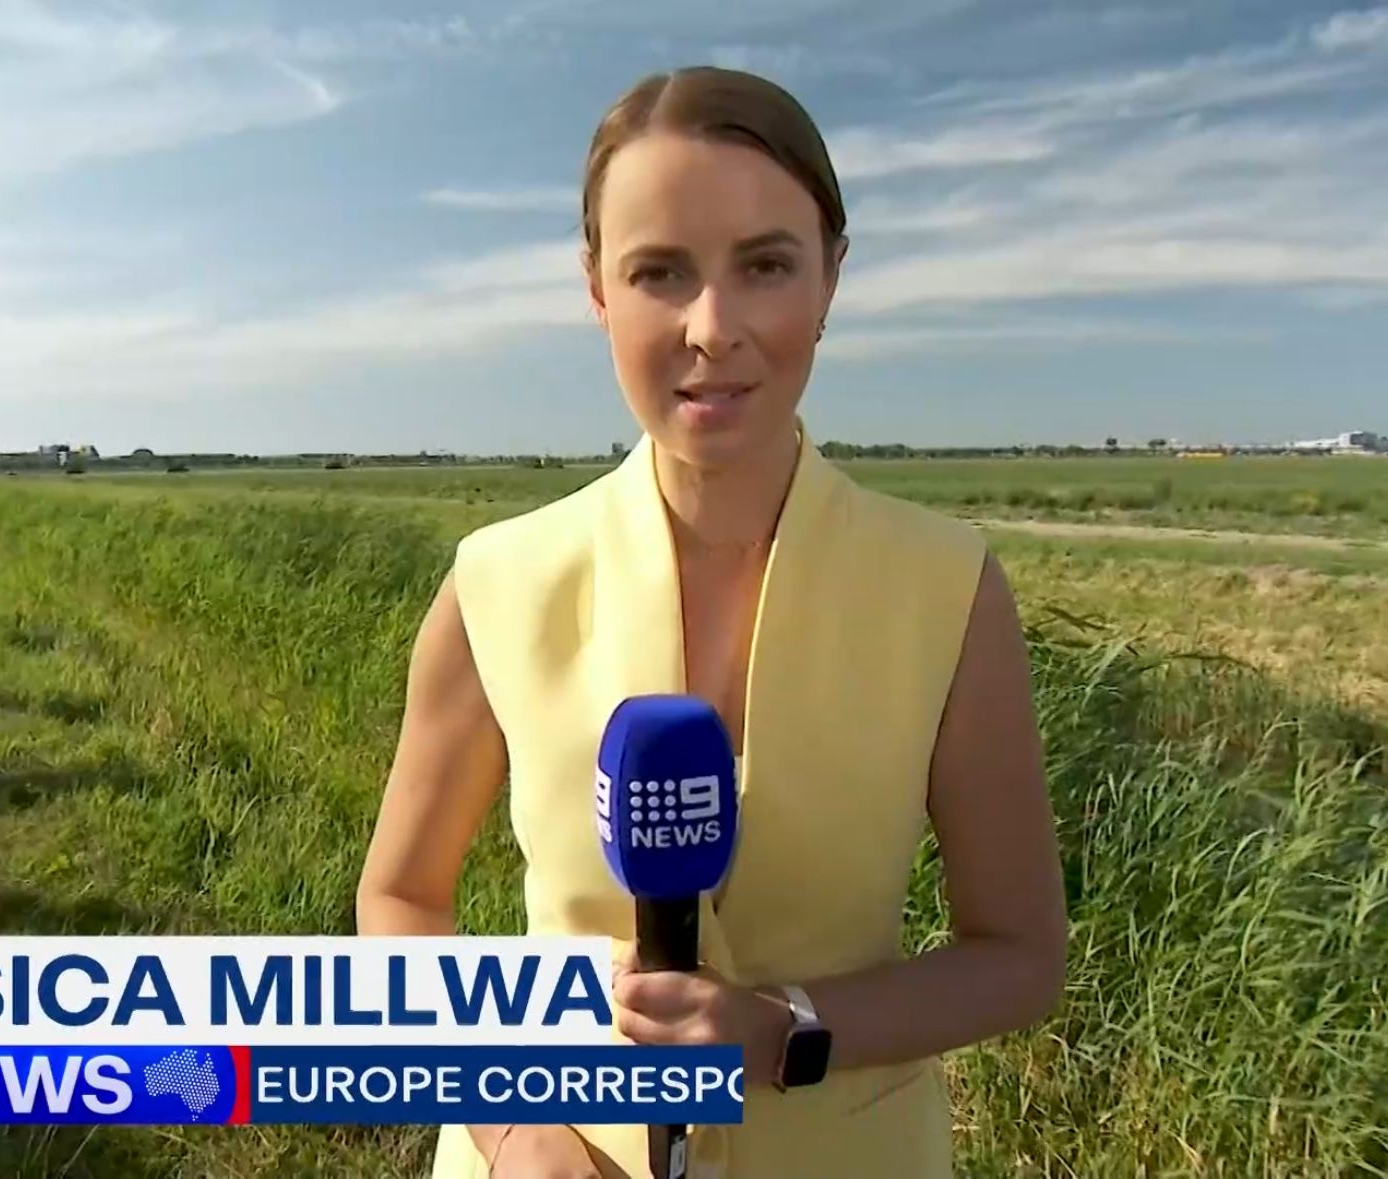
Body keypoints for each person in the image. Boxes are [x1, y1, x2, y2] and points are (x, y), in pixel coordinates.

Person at [355, 66, 1067, 1179]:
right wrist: (511, 1129)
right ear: (597, 289)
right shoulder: (496, 584)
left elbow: (1017, 955)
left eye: (765, 266)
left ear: (830, 277)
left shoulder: (948, 590)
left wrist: (787, 1031)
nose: (712, 328)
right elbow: (400, 900)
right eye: (660, 272)